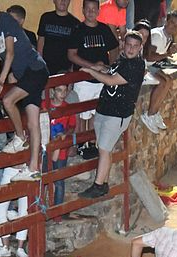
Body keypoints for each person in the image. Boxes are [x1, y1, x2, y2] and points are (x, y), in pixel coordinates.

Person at [0, 0, 49, 181]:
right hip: (24, 75)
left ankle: (19, 137)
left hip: (35, 69)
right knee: (33, 122)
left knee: (8, 100)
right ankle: (33, 168)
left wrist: (1, 80)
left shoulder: (7, 20)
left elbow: (10, 52)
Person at [76, 30, 145, 199]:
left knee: (104, 148)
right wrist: (103, 68)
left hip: (117, 114)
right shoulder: (123, 60)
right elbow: (113, 72)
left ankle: (98, 185)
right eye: (129, 45)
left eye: (135, 46)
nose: (131, 49)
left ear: (140, 47)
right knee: (103, 149)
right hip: (105, 110)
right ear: (123, 44)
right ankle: (104, 183)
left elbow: (111, 80)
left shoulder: (137, 65)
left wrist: (92, 71)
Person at [67, 0, 119, 159]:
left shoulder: (104, 29)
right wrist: (92, 67)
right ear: (83, 10)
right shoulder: (78, 30)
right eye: (88, 9)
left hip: (101, 80)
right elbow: (71, 55)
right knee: (82, 115)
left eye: (94, 9)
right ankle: (81, 145)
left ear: (98, 11)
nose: (91, 12)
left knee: (97, 114)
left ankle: (92, 144)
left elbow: (115, 49)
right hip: (83, 80)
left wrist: (109, 68)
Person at [139, 10, 177, 132]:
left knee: (168, 80)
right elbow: (148, 57)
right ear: (166, 21)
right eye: (172, 22)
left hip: (153, 65)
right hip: (144, 66)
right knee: (162, 82)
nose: (174, 26)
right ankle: (149, 114)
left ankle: (155, 112)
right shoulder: (157, 36)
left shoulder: (169, 36)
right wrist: (167, 54)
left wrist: (170, 51)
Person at [36, 0, 79, 75]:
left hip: (64, 69)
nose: (63, 1)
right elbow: (41, 41)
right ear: (54, 1)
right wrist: (39, 64)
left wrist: (71, 70)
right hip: (46, 66)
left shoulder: (75, 23)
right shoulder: (46, 18)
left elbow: (75, 50)